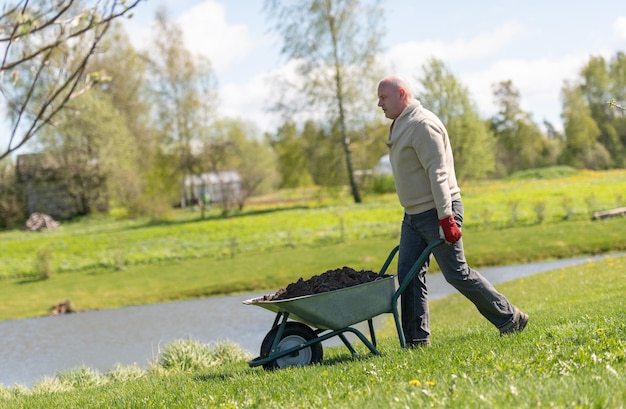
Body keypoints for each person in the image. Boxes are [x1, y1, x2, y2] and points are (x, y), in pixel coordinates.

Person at [376, 75, 528, 347]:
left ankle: (510, 318)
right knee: (409, 275)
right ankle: (416, 342)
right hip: (413, 215)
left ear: (401, 94)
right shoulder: (402, 124)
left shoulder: (423, 125)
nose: (379, 104)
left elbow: (438, 174)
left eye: (384, 97)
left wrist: (446, 219)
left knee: (456, 273)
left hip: (438, 211)